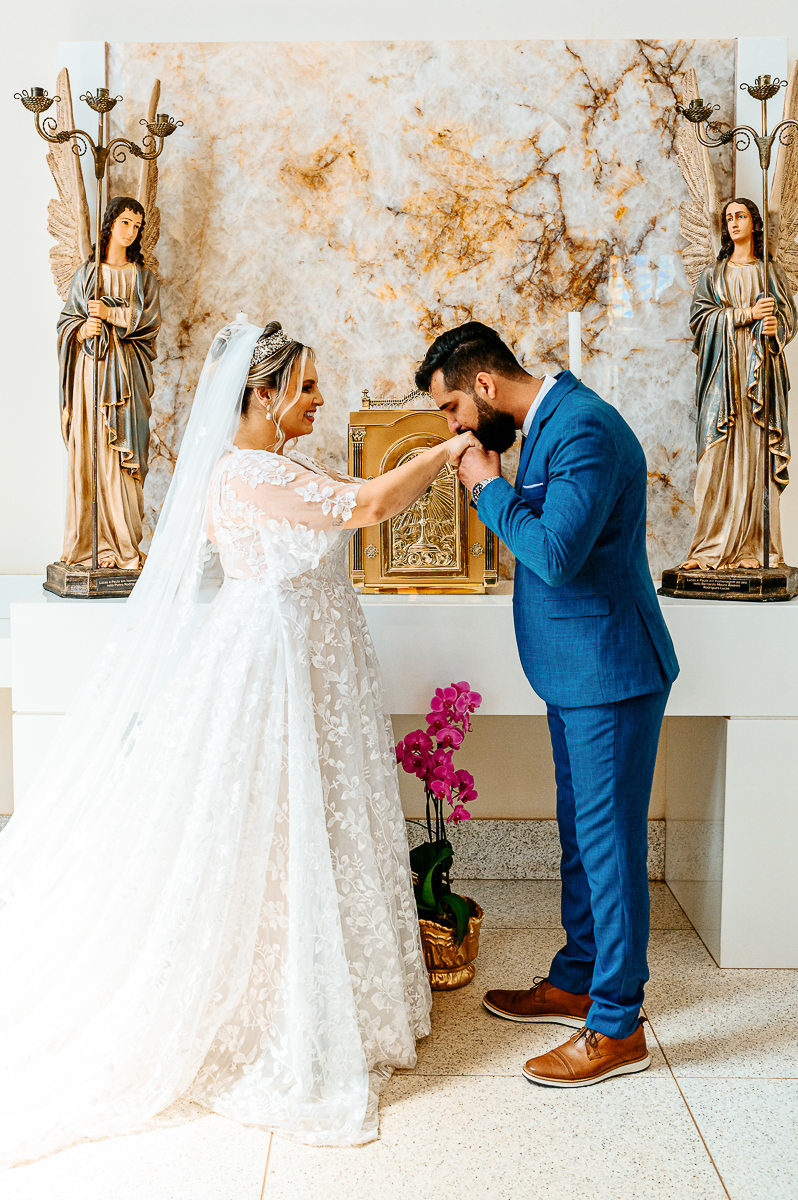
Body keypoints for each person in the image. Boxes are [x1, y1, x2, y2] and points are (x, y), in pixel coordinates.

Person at [0, 320, 479, 1167]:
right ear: (261, 394)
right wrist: (448, 450)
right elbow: (365, 506)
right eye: (306, 386)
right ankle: (277, 1006)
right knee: (274, 833)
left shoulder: (275, 466)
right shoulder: (245, 473)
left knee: (305, 827)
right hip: (275, 668)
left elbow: (347, 490)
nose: (320, 398)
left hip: (307, 657)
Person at [415, 321, 679, 1088]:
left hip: (612, 674)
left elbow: (556, 555)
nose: (456, 429)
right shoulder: (549, 423)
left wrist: (483, 485)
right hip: (576, 673)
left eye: (453, 411)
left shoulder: (585, 428)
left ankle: (616, 1023)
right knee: (581, 834)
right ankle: (577, 976)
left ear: (486, 388)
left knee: (610, 844)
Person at [681, 197, 797, 571]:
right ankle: (707, 549)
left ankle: (757, 549)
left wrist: (775, 326)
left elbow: (788, 319)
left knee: (759, 458)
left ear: (754, 223)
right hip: (723, 378)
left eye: (741, 216)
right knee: (715, 460)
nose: (733, 223)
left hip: (760, 381)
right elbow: (700, 321)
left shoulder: (771, 273)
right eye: (728, 217)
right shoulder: (713, 276)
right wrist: (745, 314)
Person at [57, 195, 161, 569]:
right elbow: (65, 323)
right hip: (92, 372)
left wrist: (113, 314)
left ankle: (124, 543)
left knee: (124, 453)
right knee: (92, 448)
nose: (131, 232)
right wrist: (83, 328)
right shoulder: (87, 275)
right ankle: (89, 545)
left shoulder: (143, 278)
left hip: (128, 377)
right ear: (110, 225)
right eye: (125, 223)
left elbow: (149, 322)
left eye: (137, 226)